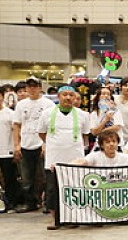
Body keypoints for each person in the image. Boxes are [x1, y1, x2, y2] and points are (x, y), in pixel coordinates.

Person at [37, 86, 91, 230]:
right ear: (58, 97)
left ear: (75, 98)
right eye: (64, 95)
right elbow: (42, 133)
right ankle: (56, 219)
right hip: (54, 158)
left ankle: (73, 218)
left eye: (71, 95)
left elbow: (85, 135)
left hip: (75, 159)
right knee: (52, 190)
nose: (68, 98)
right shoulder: (47, 114)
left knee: (75, 188)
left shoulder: (83, 115)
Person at [12, 77, 55, 212]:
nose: (32, 89)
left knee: (45, 176)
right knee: (26, 177)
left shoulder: (48, 104)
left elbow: (51, 126)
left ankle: (48, 203)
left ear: (40, 87)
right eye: (29, 86)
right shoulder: (21, 105)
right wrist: (17, 145)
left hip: (41, 144)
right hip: (26, 143)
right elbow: (17, 125)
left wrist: (46, 144)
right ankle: (30, 203)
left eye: (35, 86)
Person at [0, 85, 23, 212]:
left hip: (7, 152)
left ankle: (11, 203)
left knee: (10, 179)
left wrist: (17, 147)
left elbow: (17, 132)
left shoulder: (11, 114)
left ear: (3, 97)